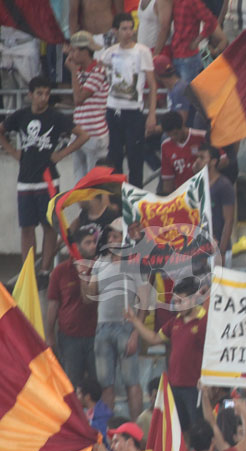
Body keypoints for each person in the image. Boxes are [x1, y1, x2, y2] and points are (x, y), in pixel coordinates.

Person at [0, 76, 89, 276]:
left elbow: (83, 135)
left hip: (48, 179)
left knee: (48, 226)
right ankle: (27, 271)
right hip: (24, 180)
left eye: (47, 93)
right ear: (30, 94)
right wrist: (13, 152)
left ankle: (45, 269)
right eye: (39, 93)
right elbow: (2, 130)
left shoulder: (56, 117)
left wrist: (61, 154)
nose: (44, 97)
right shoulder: (20, 115)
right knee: (26, 227)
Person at [124, 276, 208, 431]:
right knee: (179, 431)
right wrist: (134, 320)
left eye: (180, 301)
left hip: (195, 387)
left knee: (198, 429)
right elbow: (154, 338)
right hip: (175, 386)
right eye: (174, 302)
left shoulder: (205, 321)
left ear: (193, 299)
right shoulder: (175, 322)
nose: (177, 306)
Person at [87, 218, 148, 419]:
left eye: (117, 236)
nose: (112, 239)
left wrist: (136, 333)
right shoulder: (99, 263)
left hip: (126, 327)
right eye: (110, 236)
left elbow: (144, 301)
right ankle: (106, 432)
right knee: (106, 384)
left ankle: (137, 429)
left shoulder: (133, 263)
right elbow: (90, 296)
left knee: (132, 381)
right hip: (102, 328)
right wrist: (86, 275)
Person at [99, 13, 158, 188]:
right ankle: (117, 200)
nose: (128, 32)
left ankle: (136, 200)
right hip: (113, 109)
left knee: (135, 158)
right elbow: (102, 74)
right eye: (124, 29)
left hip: (133, 111)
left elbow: (152, 85)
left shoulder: (142, 51)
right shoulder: (109, 53)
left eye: (130, 28)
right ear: (115, 31)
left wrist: (151, 114)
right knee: (114, 158)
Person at [45, 228, 98, 386]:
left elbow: (89, 298)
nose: (93, 246)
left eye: (94, 242)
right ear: (76, 247)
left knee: (96, 383)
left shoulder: (99, 267)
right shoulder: (59, 271)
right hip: (69, 337)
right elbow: (52, 306)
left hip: (95, 336)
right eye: (88, 243)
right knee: (71, 383)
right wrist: (49, 336)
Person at [66, 31, 110, 181]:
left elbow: (78, 99)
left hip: (94, 134)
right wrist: (74, 72)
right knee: (79, 181)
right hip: (79, 131)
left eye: (75, 50)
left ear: (85, 51)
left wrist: (72, 72)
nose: (72, 54)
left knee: (94, 182)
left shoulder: (98, 71)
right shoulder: (80, 71)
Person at [195, 144, 235, 265]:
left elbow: (229, 221)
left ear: (213, 162)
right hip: (201, 251)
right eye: (197, 157)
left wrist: (221, 253)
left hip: (218, 250)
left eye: (202, 158)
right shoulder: (197, 184)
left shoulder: (223, 185)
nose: (197, 161)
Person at [168, 0, 227, 81]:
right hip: (178, 53)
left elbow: (210, 21)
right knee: (182, 90)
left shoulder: (193, 2)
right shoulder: (178, 2)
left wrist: (197, 41)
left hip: (188, 55)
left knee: (187, 91)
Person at [160, 111, 206, 192]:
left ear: (182, 126)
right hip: (182, 194)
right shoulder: (166, 146)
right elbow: (168, 179)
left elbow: (223, 160)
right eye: (169, 135)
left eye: (175, 134)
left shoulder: (201, 137)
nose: (173, 137)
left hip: (203, 189)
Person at [0, 27, 41, 111]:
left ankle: (27, 120)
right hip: (4, 46)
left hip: (26, 45)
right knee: (8, 94)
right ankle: (10, 121)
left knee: (27, 90)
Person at [152, 55, 194, 126]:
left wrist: (156, 129)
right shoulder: (174, 88)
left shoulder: (179, 90)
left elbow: (180, 123)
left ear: (156, 74)